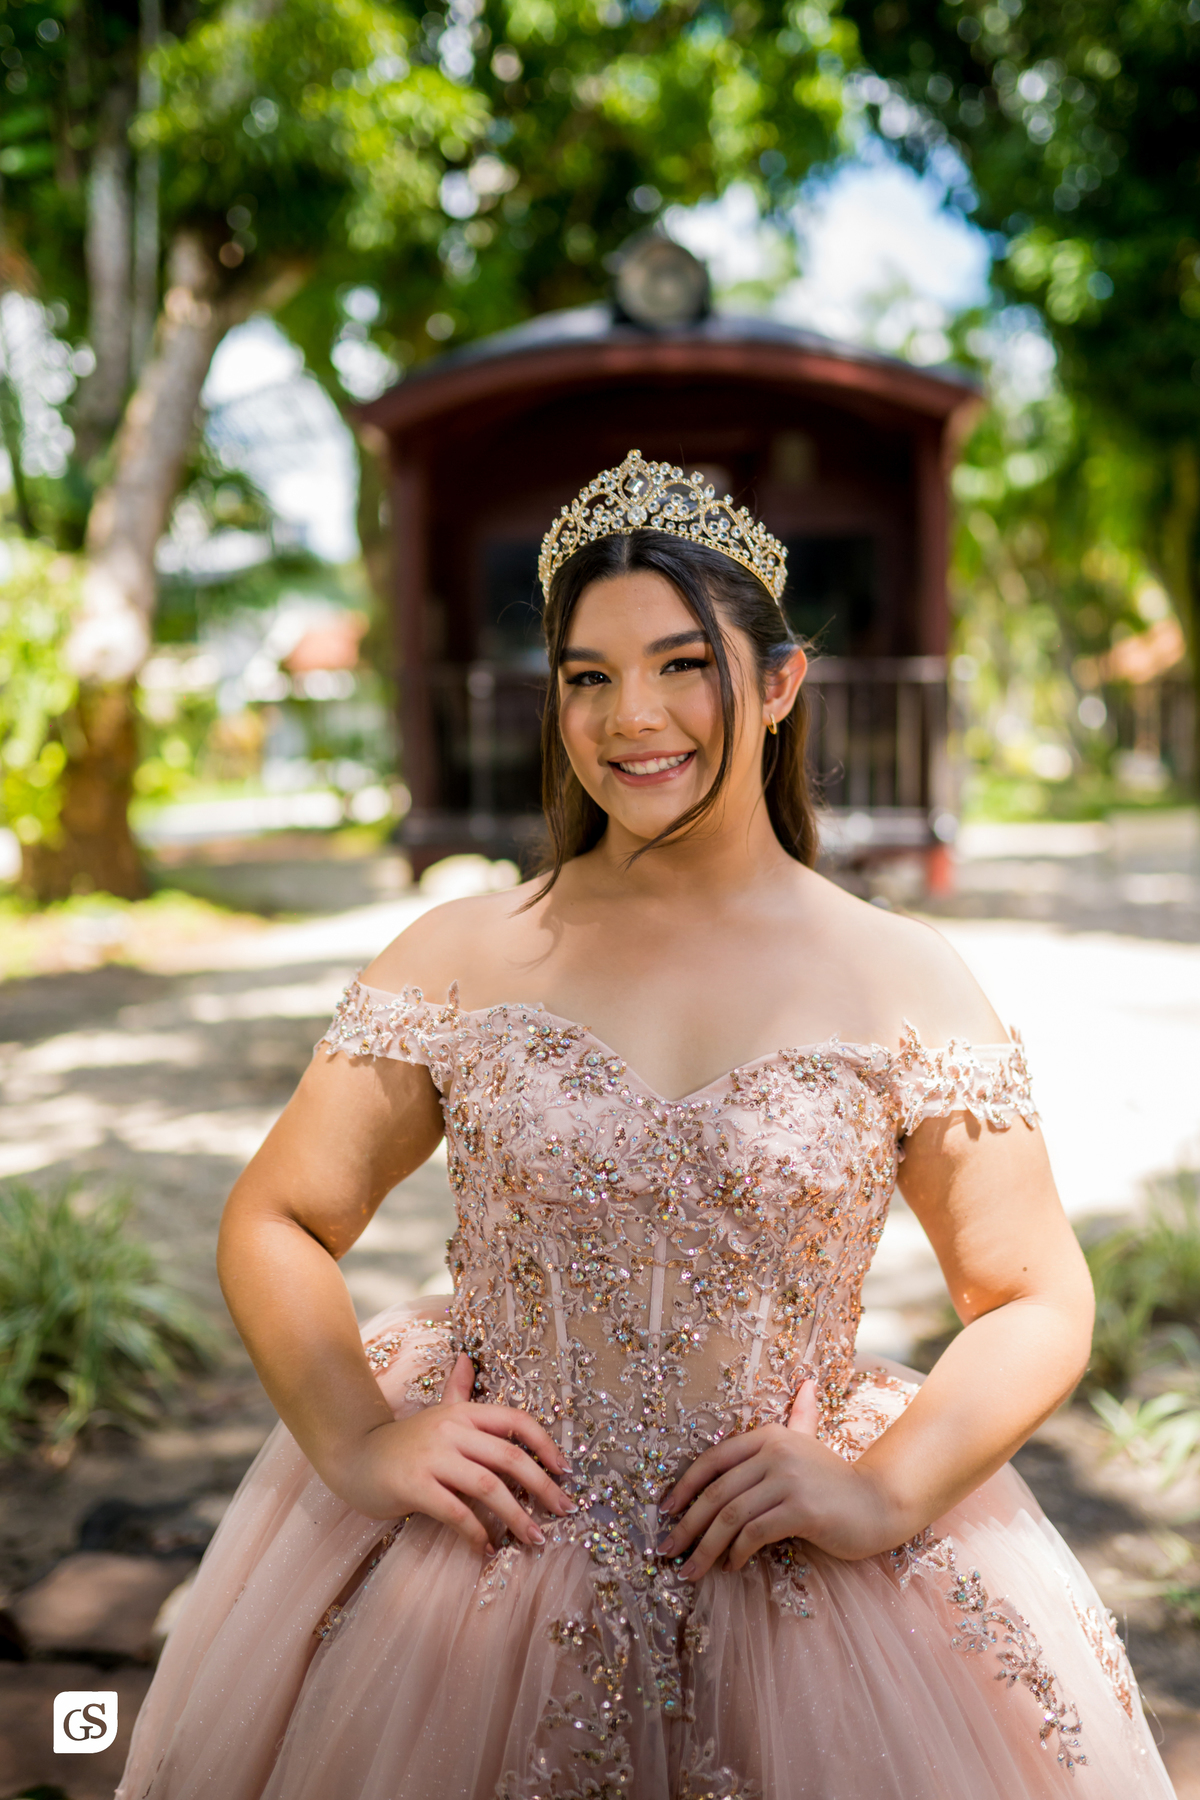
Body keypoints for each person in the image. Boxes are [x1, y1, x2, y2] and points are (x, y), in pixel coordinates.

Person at [118, 452, 1175, 1800]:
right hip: (476, 1587)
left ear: (780, 683)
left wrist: (887, 1489)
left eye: (684, 665)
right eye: (589, 676)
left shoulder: (904, 978)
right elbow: (279, 1217)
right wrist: (359, 1439)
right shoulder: (459, 954)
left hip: (807, 1601)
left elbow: (1033, 1294)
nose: (634, 717)